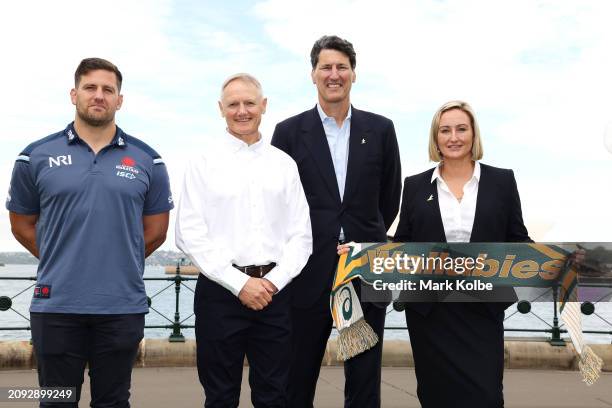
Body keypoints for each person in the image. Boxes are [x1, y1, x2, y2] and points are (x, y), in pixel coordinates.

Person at [6, 57, 173, 407]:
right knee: (56, 400)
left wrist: (115, 260)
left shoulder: (149, 160)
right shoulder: (34, 156)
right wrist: (64, 255)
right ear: (74, 94)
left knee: (112, 401)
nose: (99, 95)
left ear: (119, 100)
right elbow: (21, 224)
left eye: (108, 89)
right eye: (90, 87)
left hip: (121, 306)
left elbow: (156, 231)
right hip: (56, 306)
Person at [271, 35, 402, 408]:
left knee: (363, 381)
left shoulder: (380, 130)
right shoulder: (289, 133)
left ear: (353, 74)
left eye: (341, 67)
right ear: (313, 74)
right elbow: (279, 203)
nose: (334, 74)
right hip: (307, 272)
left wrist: (360, 238)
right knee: (297, 378)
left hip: (362, 270)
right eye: (325, 67)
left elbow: (388, 199)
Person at [175, 73, 312, 407]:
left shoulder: (285, 164)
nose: (242, 111)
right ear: (221, 109)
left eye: (249, 103)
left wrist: (271, 283)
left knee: (274, 396)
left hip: (275, 296)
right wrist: (240, 284)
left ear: (263, 106)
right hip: (220, 295)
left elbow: (301, 235)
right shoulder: (202, 163)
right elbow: (188, 233)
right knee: (220, 396)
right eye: (233, 104)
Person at [394, 100, 532, 407]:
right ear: (436, 138)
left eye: (461, 129)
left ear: (473, 135)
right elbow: (403, 244)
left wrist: (557, 258)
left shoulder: (502, 181)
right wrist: (359, 254)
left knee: (486, 396)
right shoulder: (415, 186)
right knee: (435, 397)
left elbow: (518, 239)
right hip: (429, 314)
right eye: (445, 130)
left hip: (481, 310)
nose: (453, 137)